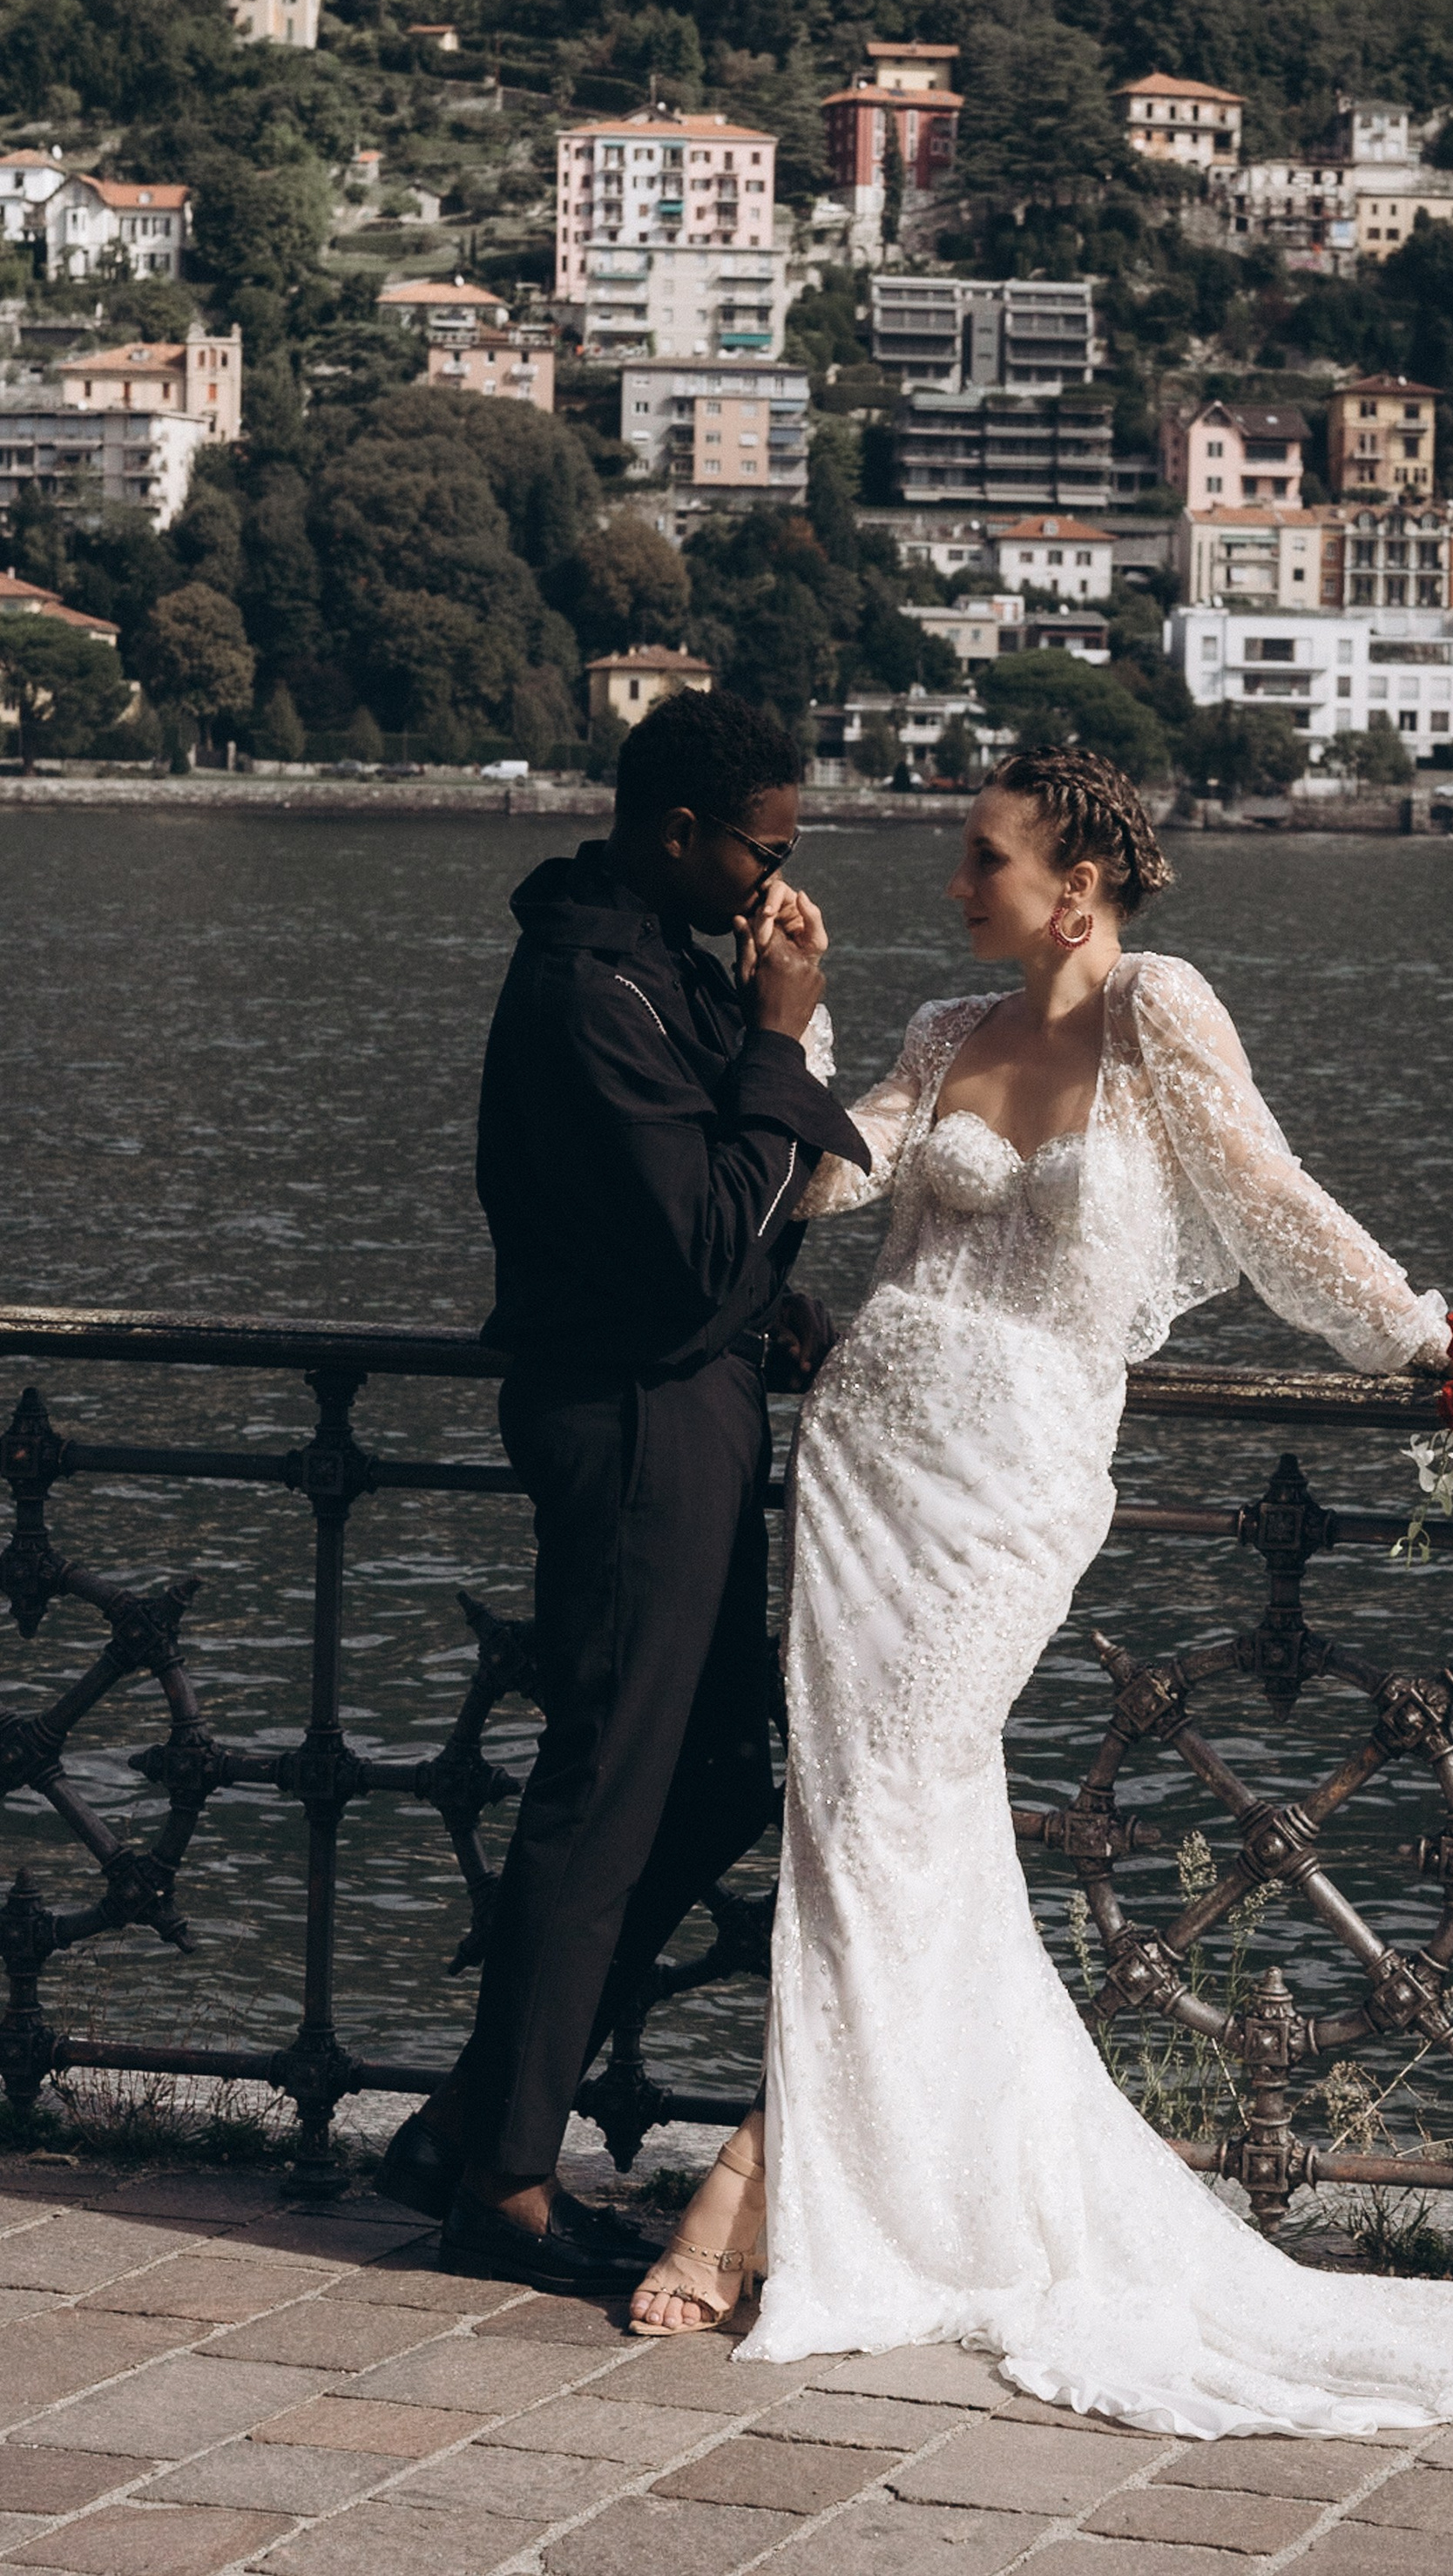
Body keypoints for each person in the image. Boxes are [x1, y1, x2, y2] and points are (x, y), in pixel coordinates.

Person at [628, 745, 1453, 2433]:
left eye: (981, 860)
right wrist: (784, 1030)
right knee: (869, 1817)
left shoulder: (1158, 1010)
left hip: (1015, 1480)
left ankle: (751, 2191)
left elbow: (1264, 1198)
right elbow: (819, 1178)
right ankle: (836, 2184)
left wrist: (1439, 1347)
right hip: (866, 1464)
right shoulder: (942, 1035)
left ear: (1074, 886)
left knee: (887, 1805)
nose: (952, 887)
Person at [375, 691, 868, 2294]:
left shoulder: (657, 963)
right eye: (764, 850)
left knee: (716, 1773)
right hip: (637, 1419)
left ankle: (476, 2112)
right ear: (679, 832)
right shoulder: (592, 987)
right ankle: (507, 2177)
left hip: (694, 1399)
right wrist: (783, 1030)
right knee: (608, 1782)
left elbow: (708, 1226)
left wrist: (749, 1018)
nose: (774, 883)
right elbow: (702, 1231)